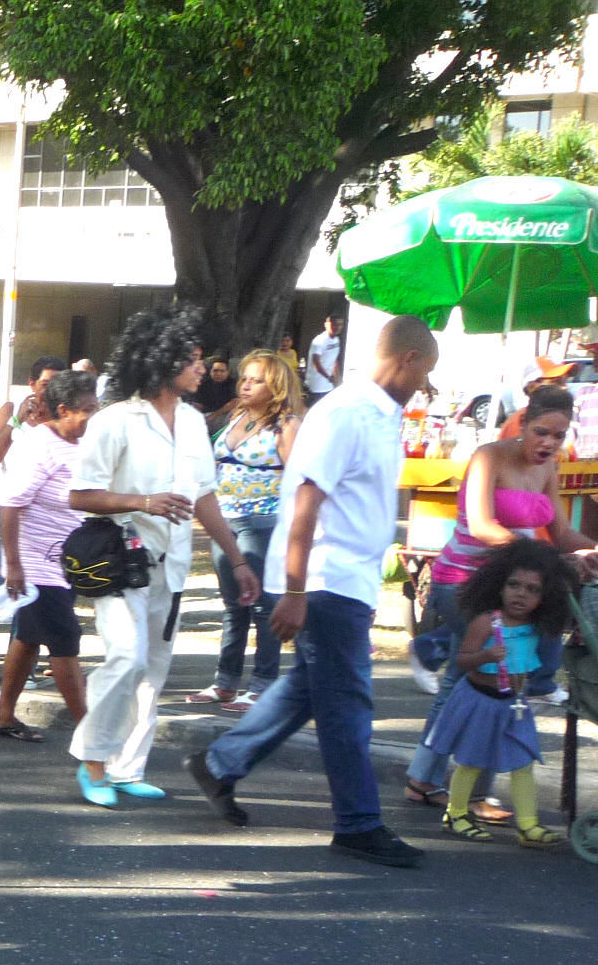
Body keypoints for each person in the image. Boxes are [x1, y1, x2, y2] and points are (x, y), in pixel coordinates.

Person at [188, 315, 442, 868]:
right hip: (325, 580)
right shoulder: (348, 413)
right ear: (410, 360)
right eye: (425, 375)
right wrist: (296, 591)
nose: (423, 387)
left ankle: (220, 762)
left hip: (344, 579)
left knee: (308, 687)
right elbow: (306, 501)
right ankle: (358, 822)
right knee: (348, 701)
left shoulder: (378, 416)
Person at [67, 307, 261, 806]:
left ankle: (128, 767)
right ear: (160, 360)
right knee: (126, 657)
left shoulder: (196, 423)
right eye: (192, 359)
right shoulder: (114, 421)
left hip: (171, 566)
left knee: (152, 672)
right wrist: (142, 502)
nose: (203, 368)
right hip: (121, 560)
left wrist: (238, 560)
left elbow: (204, 497)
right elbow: (81, 495)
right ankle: (92, 762)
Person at [403, 383, 594, 804]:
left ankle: (427, 779)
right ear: (523, 423)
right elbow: (483, 525)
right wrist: (544, 561)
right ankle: (469, 793)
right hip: (463, 584)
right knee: (495, 683)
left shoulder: (549, 469)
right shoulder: (488, 457)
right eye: (541, 431)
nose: (548, 443)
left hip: (510, 588)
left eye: (558, 436)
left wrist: (589, 550)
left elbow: (561, 532)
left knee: (464, 682)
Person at [428, 540, 571, 848]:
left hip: (514, 705)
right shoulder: (486, 621)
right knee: (471, 761)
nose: (521, 593)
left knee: (523, 763)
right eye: (514, 585)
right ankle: (456, 814)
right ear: (499, 585)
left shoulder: (536, 625)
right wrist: (485, 656)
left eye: (533, 589)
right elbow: (463, 661)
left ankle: (528, 825)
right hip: (481, 701)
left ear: (546, 597)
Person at [0, 370, 99, 742]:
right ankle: (91, 735)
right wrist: (14, 565)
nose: (93, 416)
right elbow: (10, 504)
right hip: (34, 563)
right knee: (65, 641)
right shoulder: (39, 445)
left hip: (63, 562)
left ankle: (3, 713)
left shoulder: (81, 442)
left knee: (30, 636)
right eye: (86, 410)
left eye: (96, 407)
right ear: (63, 410)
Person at [188, 351, 303, 713]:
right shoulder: (236, 415)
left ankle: (263, 683)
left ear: (277, 386)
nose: (246, 384)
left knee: (262, 604)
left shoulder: (286, 425)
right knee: (232, 604)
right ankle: (226, 680)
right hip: (225, 521)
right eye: (245, 378)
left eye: (257, 379)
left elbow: (301, 480)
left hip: (262, 521)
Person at [305, 314, 343, 397]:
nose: (337, 327)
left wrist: (338, 379)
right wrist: (328, 377)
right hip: (316, 385)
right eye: (334, 324)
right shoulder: (319, 341)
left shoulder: (336, 340)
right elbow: (316, 362)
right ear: (326, 325)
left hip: (329, 385)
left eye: (340, 325)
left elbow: (334, 360)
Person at [191, 355, 237, 422]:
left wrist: (212, 417)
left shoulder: (234, 383)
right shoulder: (203, 384)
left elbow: (235, 402)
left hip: (225, 415)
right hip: (205, 415)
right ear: (210, 372)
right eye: (215, 370)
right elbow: (197, 405)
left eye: (222, 371)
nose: (218, 373)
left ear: (228, 372)